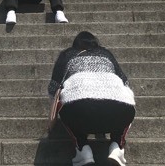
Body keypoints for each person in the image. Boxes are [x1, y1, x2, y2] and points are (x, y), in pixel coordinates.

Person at [48, 30, 135, 166]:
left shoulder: (67, 55)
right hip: (120, 110)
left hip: (80, 109)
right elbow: (125, 82)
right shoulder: (106, 54)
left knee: (67, 103)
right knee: (126, 100)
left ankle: (83, 149)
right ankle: (117, 146)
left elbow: (53, 88)